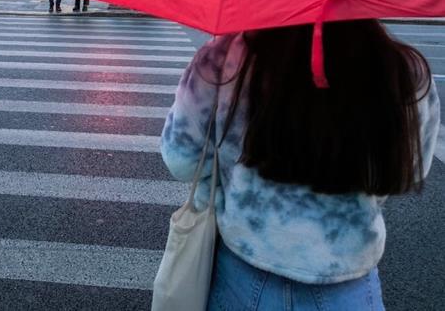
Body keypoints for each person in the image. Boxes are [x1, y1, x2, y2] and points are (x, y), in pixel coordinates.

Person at [161, 22, 440, 310]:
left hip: (243, 268)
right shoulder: (403, 69)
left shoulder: (223, 56)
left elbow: (181, 159)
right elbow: (410, 173)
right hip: (346, 277)